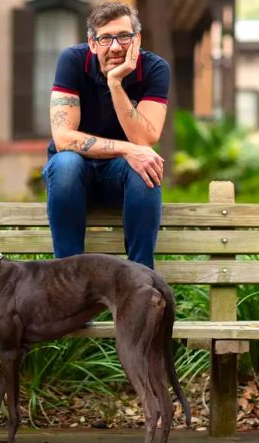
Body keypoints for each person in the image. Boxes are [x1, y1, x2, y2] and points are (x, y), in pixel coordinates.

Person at [43, 1, 170, 269]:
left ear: (137, 39)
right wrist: (125, 149)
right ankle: (69, 282)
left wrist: (115, 83)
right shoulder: (72, 61)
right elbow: (64, 138)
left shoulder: (155, 69)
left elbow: (145, 141)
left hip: (122, 180)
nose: (115, 47)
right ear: (92, 43)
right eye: (105, 38)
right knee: (66, 163)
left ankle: (141, 281)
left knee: (144, 165)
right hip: (72, 181)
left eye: (123, 36)